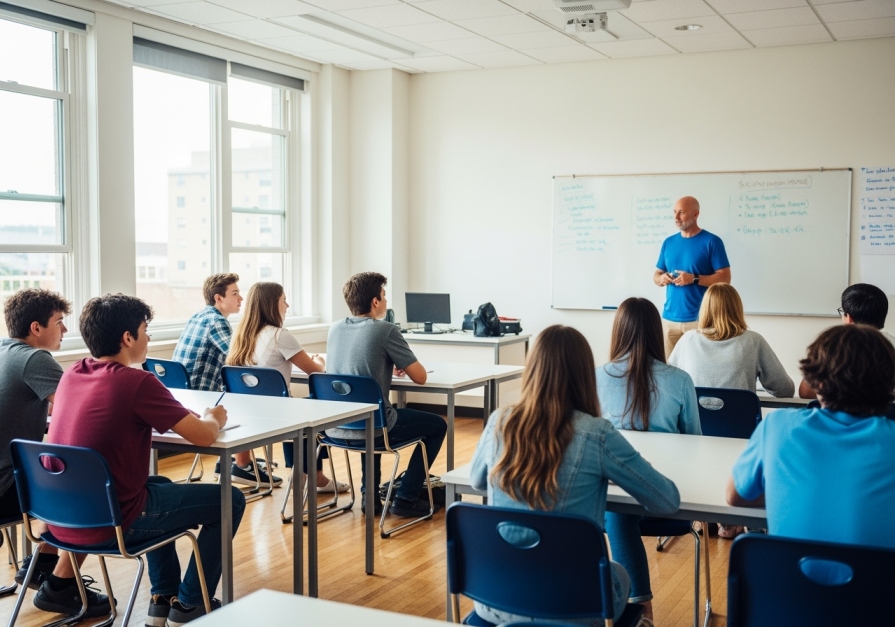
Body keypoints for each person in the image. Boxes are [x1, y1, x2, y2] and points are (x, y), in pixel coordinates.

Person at [46, 294, 245, 626]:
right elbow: (203, 437)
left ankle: (163, 597)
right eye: (145, 329)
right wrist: (213, 417)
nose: (148, 336)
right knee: (231, 499)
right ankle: (192, 604)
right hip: (114, 520)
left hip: (63, 517)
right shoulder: (137, 382)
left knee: (159, 483)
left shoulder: (73, 373)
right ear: (128, 338)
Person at [471, 325, 680, 625]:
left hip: (494, 600)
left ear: (532, 370)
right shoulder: (598, 435)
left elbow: (478, 481)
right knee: (618, 573)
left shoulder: (499, 421)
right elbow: (666, 501)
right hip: (573, 607)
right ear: (584, 374)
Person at [727, 324, 895, 550]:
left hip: (790, 582)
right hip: (876, 584)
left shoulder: (778, 426)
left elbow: (735, 496)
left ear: (819, 382)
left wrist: (788, 490)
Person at [596, 298, 700, 621]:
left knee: (616, 509)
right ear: (657, 333)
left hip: (607, 501)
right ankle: (640, 614)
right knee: (619, 509)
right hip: (666, 496)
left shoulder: (595, 377)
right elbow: (697, 446)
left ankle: (637, 612)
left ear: (618, 332)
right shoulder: (680, 381)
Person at [324, 272, 447, 518]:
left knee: (369, 416)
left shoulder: (335, 328)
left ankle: (369, 499)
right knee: (437, 426)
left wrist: (390, 361)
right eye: (384, 296)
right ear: (375, 302)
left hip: (335, 427)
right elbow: (420, 377)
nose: (386, 301)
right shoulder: (386, 330)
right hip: (375, 428)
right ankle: (406, 497)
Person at [0, 289, 94, 611]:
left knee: (57, 478)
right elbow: (82, 409)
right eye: (59, 322)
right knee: (91, 493)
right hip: (5, 489)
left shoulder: (3, 350)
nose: (65, 330)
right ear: (36, 328)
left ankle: (40, 564)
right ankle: (60, 587)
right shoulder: (33, 358)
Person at [226, 282, 346, 493]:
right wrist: (321, 362)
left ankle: (300, 473)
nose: (287, 305)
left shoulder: (242, 335)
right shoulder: (279, 335)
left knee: (298, 410)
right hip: (275, 415)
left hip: (245, 413)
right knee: (313, 410)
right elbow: (315, 372)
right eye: (284, 300)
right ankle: (312, 476)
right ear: (272, 304)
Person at [173, 274, 277, 487]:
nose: (241, 299)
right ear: (218, 298)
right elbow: (238, 359)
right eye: (235, 293)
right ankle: (242, 465)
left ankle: (228, 459)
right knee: (249, 396)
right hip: (201, 396)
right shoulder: (217, 322)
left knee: (238, 389)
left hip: (183, 392)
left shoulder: (199, 316)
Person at [669, 283, 794, 397]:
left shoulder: (688, 339)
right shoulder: (753, 340)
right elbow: (785, 390)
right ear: (737, 308)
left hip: (696, 421)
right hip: (739, 420)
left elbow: (670, 382)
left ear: (705, 309)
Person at [653, 196, 731, 358]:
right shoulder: (669, 242)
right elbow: (656, 274)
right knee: (670, 371)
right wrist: (662, 279)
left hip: (700, 321)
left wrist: (694, 278)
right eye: (674, 212)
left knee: (699, 371)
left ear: (695, 214)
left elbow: (725, 279)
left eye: (681, 213)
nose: (676, 217)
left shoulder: (712, 242)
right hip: (669, 320)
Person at [798, 283, 895, 398]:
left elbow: (805, 393)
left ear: (848, 318)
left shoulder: (832, 346)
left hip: (842, 413)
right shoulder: (891, 345)